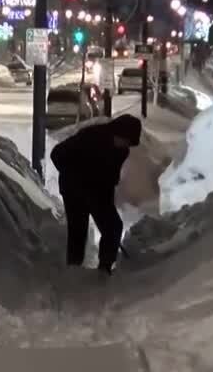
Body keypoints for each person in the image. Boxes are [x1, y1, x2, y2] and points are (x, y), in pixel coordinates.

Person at [50, 114, 143, 275]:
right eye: (126, 140)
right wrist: (75, 178)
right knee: (78, 230)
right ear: (118, 132)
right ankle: (73, 270)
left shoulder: (121, 151)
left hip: (98, 192)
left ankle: (105, 270)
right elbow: (57, 154)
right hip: (73, 190)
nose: (126, 145)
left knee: (113, 226)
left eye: (129, 143)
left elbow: (110, 178)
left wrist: (105, 200)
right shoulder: (90, 137)